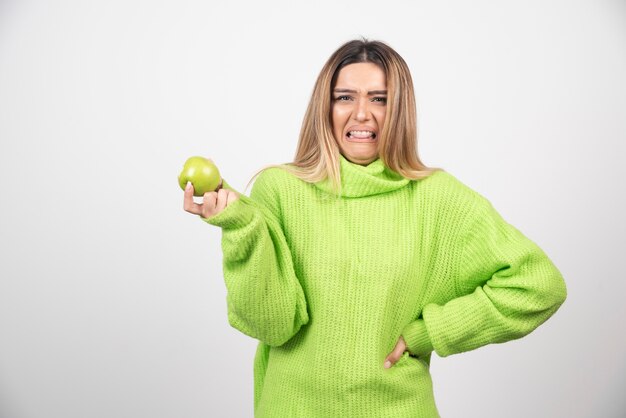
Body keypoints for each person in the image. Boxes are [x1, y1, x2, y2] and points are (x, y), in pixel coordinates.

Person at [183, 39, 567, 417]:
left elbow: (538, 284)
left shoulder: (437, 198)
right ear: (325, 107)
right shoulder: (281, 190)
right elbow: (273, 326)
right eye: (345, 97)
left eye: (379, 99)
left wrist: (431, 333)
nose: (362, 113)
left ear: (400, 110)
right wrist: (240, 227)